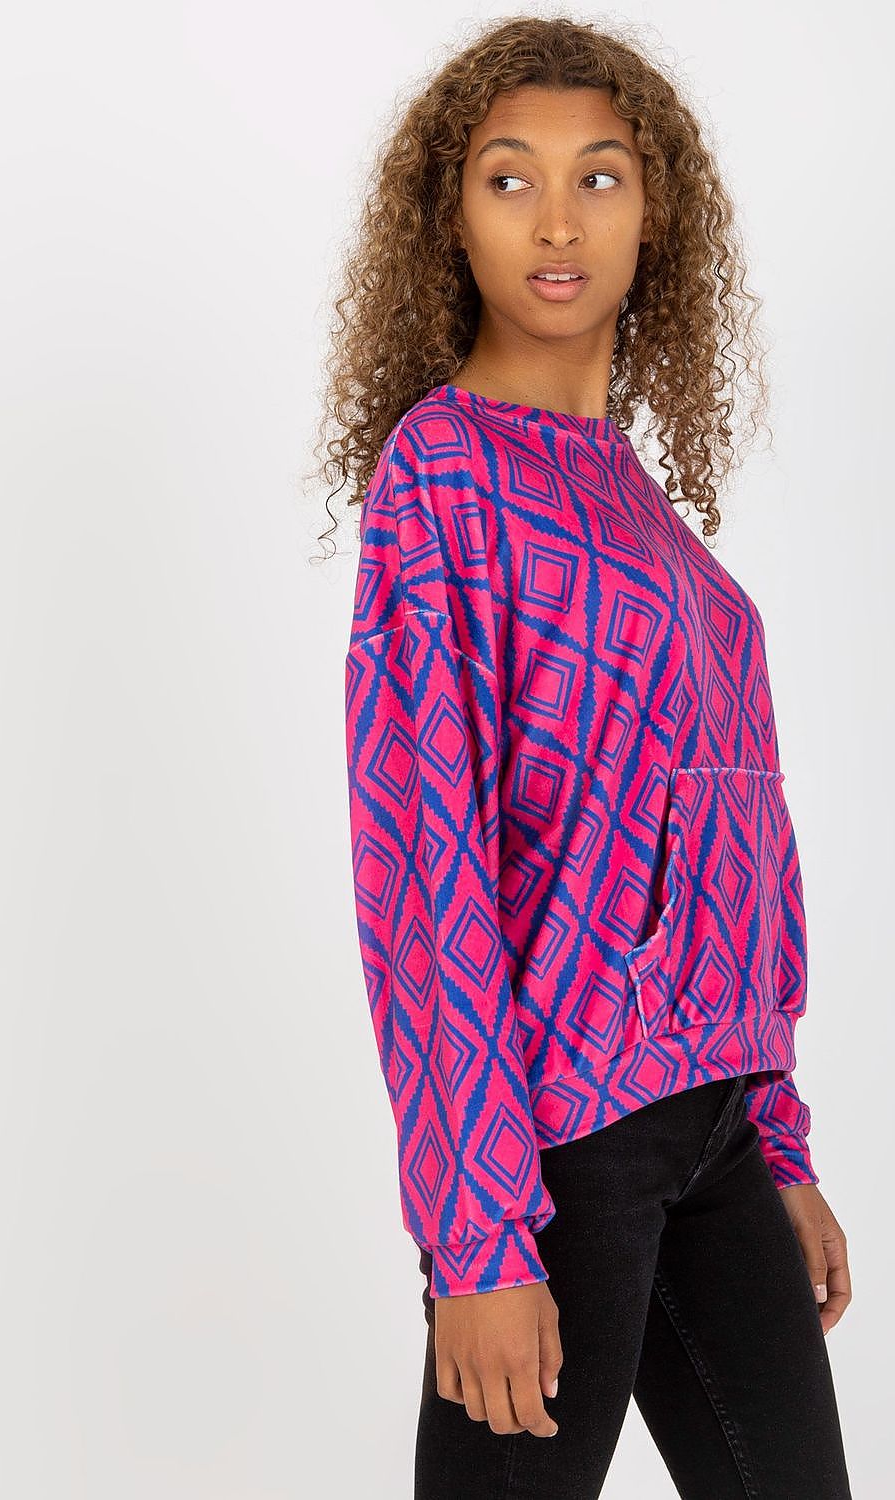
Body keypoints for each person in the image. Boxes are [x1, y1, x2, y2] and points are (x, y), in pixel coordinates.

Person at [319, 14, 853, 1498]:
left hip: (717, 1131)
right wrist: (477, 1237)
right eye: (511, 179)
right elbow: (422, 867)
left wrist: (779, 1142)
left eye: (600, 177)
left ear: (655, 214)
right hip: (560, 1158)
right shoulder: (443, 477)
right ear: (451, 219)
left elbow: (746, 854)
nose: (558, 220)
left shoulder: (652, 518)